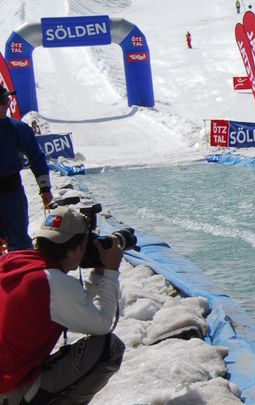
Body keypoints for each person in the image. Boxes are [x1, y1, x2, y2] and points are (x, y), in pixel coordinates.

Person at [0, 207, 125, 404]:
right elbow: (102, 324)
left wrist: (97, 274)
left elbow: (71, 307)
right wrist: (110, 272)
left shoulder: (13, 262)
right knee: (109, 348)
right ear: (77, 249)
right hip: (9, 390)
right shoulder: (51, 282)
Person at [1, 87, 52, 253]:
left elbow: (36, 157)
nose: (4, 106)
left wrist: (45, 187)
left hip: (11, 193)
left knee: (19, 243)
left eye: (6, 101)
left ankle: (23, 274)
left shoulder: (17, 129)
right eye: (0, 102)